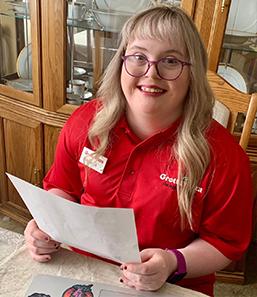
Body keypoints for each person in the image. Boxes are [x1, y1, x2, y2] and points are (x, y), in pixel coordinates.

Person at [24, 5, 253, 297]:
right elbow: (61, 188)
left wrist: (171, 262)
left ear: (192, 73)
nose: (151, 73)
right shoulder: (85, 122)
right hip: (83, 269)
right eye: (139, 57)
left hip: (173, 284)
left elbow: (224, 243)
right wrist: (46, 226)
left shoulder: (224, 156)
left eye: (170, 61)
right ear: (121, 63)